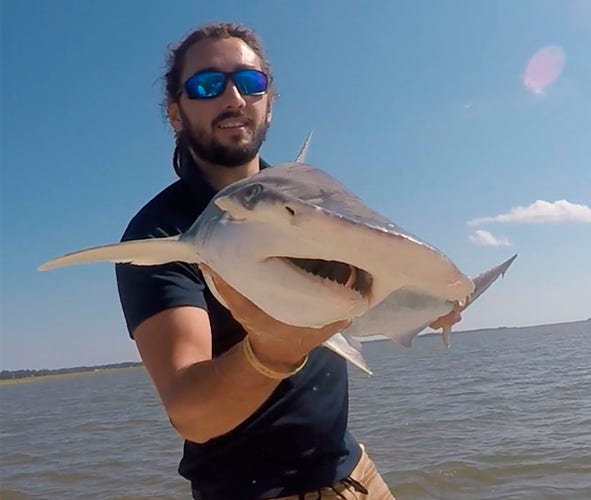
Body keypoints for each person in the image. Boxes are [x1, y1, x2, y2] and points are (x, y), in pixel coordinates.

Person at [115, 22, 463, 500]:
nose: (234, 98)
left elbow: (372, 277)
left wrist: (426, 298)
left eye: (250, 82)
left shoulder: (320, 199)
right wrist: (272, 350)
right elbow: (190, 414)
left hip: (358, 474)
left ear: (270, 101)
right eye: (208, 85)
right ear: (175, 112)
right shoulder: (160, 233)